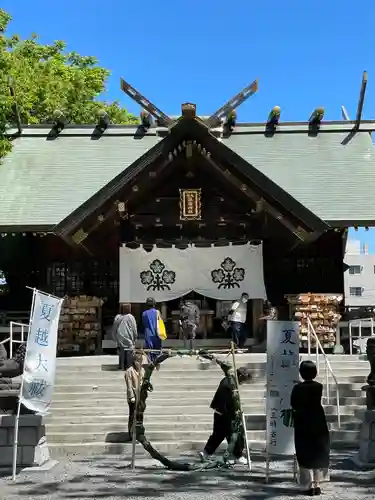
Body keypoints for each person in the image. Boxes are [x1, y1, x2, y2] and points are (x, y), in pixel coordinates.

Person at [291, 360, 330, 496]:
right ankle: (317, 483)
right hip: (318, 420)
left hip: (303, 421)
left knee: (304, 452)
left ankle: (307, 485)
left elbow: (293, 404)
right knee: (318, 451)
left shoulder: (297, 388)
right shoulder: (319, 386)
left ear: (301, 373)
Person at [199, 367, 253, 464]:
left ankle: (206, 453)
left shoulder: (229, 381)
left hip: (220, 412)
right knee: (235, 434)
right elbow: (228, 401)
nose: (243, 382)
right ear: (240, 375)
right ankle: (238, 455)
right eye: (244, 379)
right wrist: (236, 410)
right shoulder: (230, 384)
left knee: (218, 435)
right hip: (225, 413)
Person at [111, 303, 138, 371]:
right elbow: (134, 328)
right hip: (129, 338)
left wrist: (115, 338)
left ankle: (121, 366)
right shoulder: (130, 317)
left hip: (120, 338)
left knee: (122, 352)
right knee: (129, 352)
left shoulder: (117, 317)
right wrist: (135, 337)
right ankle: (129, 366)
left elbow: (114, 328)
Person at [124, 352, 143, 441]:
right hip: (133, 396)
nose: (139, 363)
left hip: (140, 395)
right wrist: (131, 396)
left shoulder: (141, 370)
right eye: (138, 361)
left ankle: (138, 432)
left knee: (139, 415)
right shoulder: (129, 371)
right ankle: (130, 433)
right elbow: (129, 385)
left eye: (140, 361)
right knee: (132, 415)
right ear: (134, 361)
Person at [142, 297, 162, 365]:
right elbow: (160, 322)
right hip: (157, 333)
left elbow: (144, 323)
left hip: (148, 333)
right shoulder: (157, 312)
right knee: (157, 349)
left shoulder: (144, 313)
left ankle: (150, 364)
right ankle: (157, 364)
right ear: (154, 304)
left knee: (149, 350)